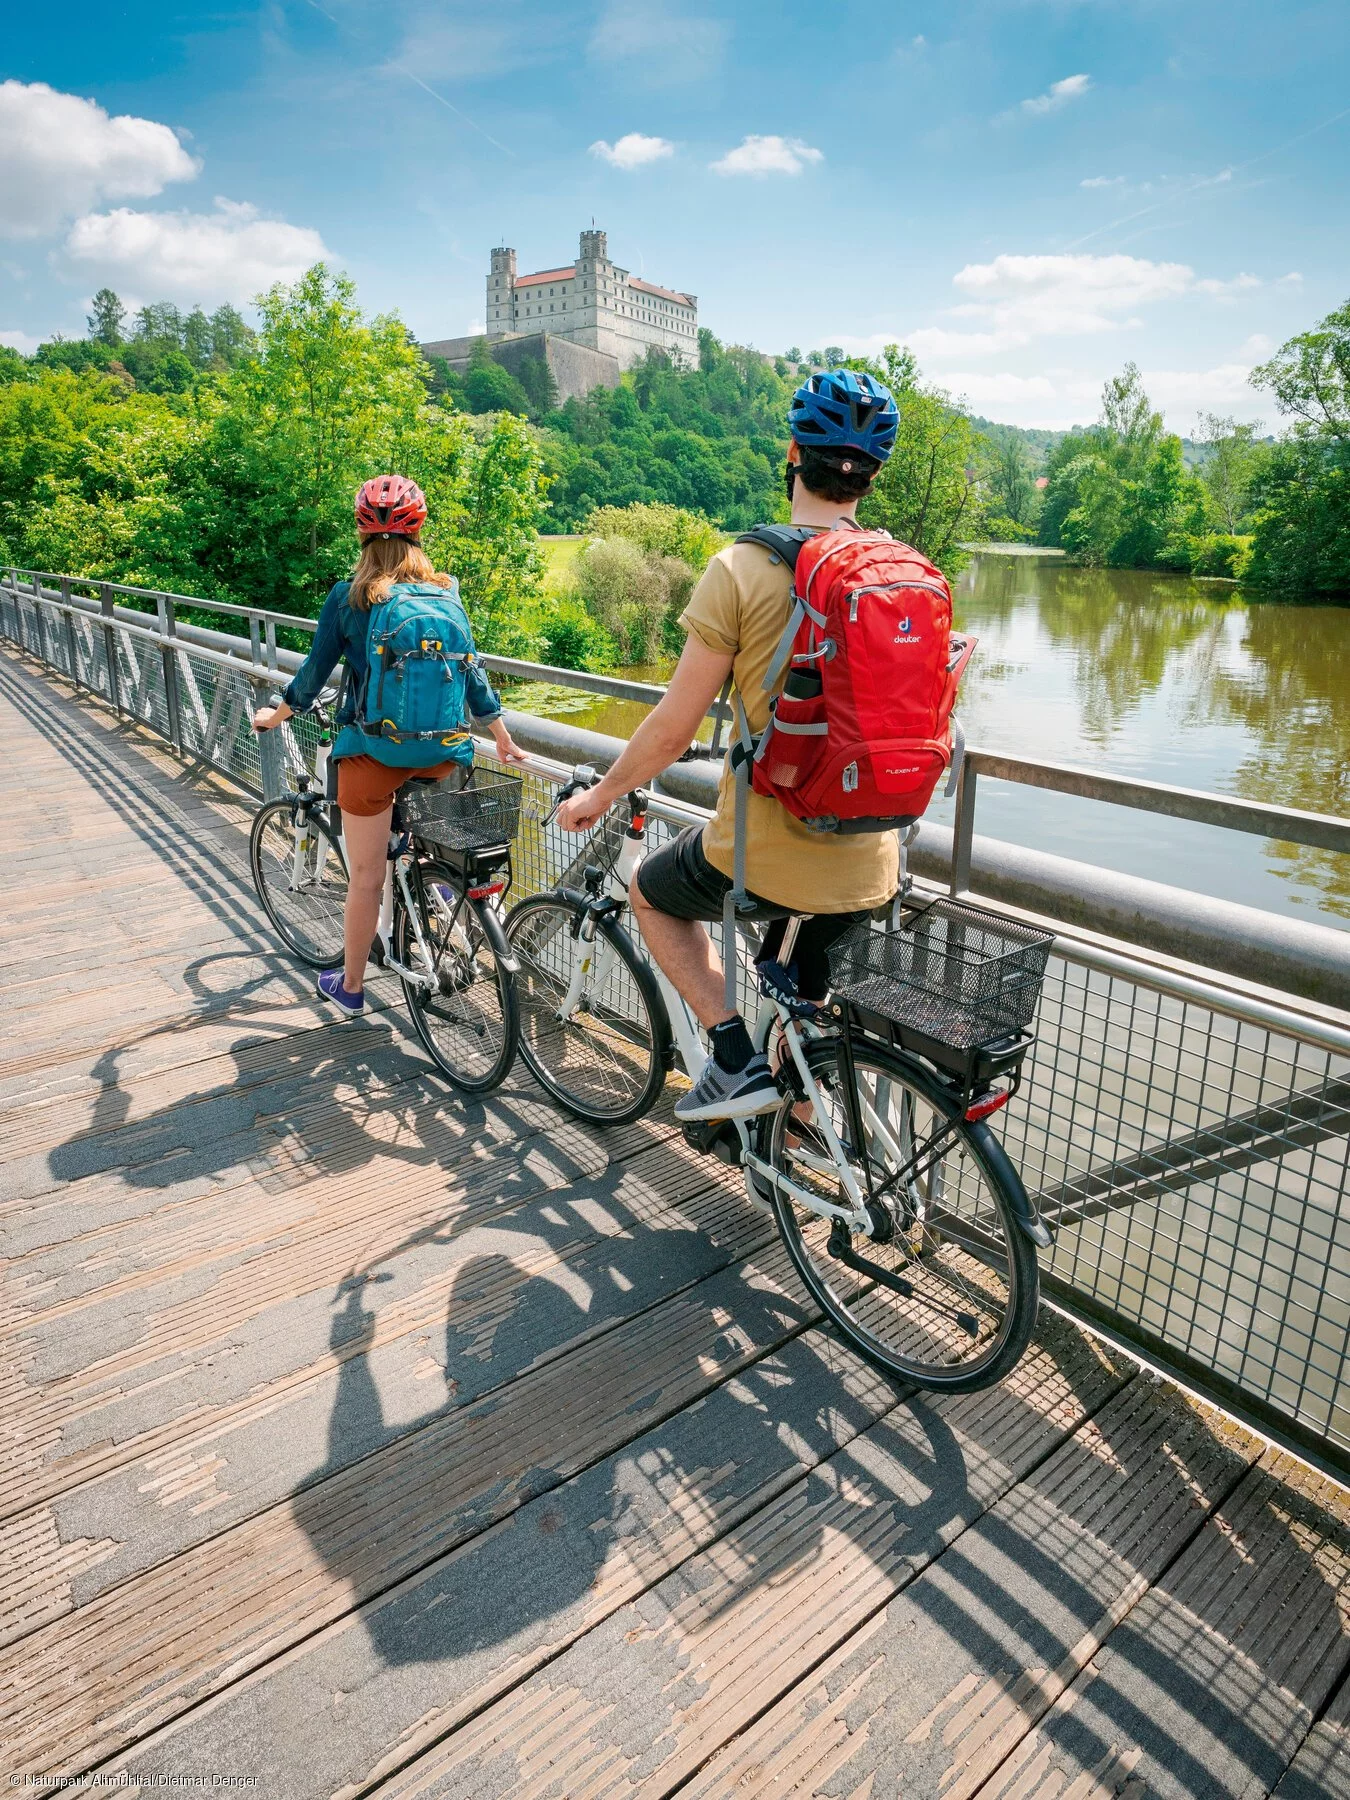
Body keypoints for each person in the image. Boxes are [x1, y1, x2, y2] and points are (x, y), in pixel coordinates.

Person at [557, 369, 901, 1121]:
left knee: (650, 892)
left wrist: (602, 794)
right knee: (801, 1000)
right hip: (874, 857)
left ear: (791, 453)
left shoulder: (741, 569)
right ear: (870, 477)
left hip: (771, 850)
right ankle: (803, 1144)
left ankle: (734, 1059)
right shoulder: (900, 575)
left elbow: (673, 729)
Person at [253, 474, 522, 1016]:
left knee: (367, 878)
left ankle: (351, 989)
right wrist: (501, 736)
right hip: (446, 752)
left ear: (360, 533)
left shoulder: (350, 598)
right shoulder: (447, 593)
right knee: (434, 840)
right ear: (419, 532)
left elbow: (312, 677)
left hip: (373, 755)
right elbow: (471, 672)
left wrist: (275, 714)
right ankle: (442, 898)